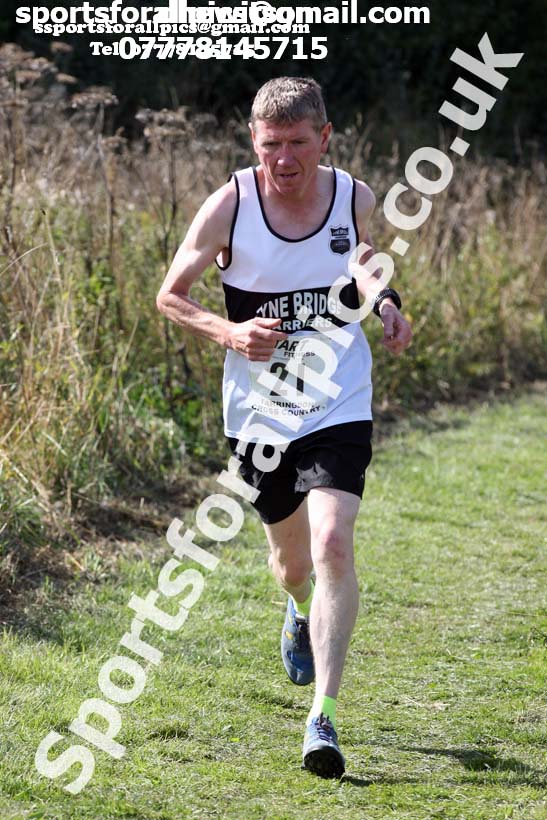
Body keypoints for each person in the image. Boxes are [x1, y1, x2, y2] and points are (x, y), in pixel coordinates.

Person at [156, 77, 412, 778]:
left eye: (299, 142)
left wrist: (385, 302)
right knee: (292, 563)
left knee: (332, 541)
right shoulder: (229, 205)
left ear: (324, 138)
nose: (285, 158)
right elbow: (169, 296)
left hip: (336, 396)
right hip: (260, 413)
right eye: (271, 144)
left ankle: (322, 718)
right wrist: (230, 331)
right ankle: (296, 608)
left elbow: (360, 263)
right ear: (253, 142)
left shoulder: (352, 196)